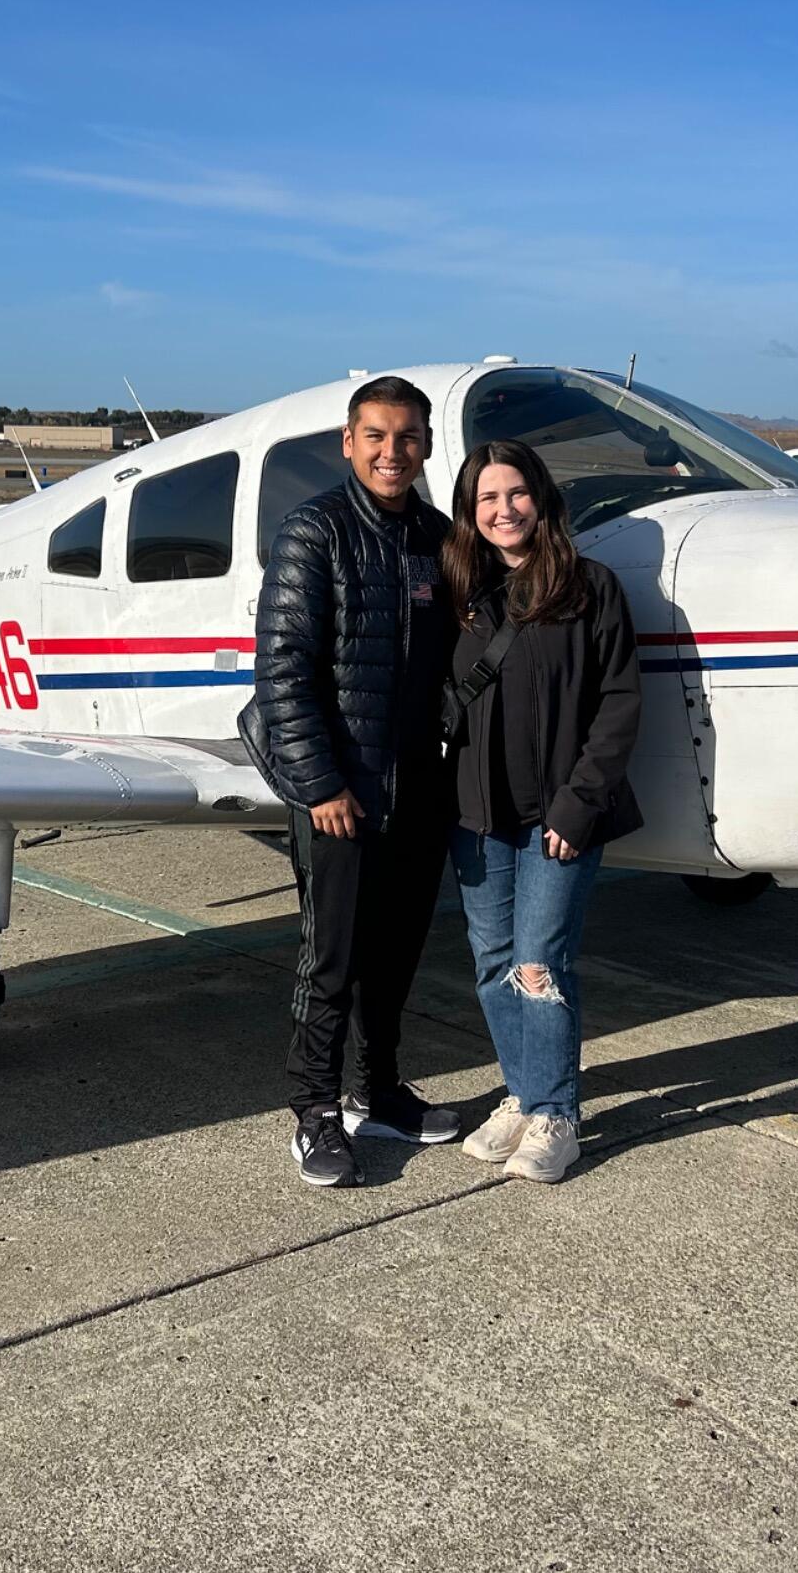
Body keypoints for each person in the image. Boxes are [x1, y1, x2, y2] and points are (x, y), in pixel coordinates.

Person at [249, 376, 463, 1186]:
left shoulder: (438, 540)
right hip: (341, 794)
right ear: (348, 442)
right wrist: (320, 783)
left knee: (398, 952)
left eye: (407, 437)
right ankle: (313, 1109)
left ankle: (378, 1090)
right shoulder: (314, 533)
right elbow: (284, 672)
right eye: (375, 435)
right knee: (329, 958)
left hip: (417, 791)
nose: (391, 451)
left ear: (427, 446)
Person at [440, 439, 642, 1184]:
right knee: (492, 962)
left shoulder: (591, 588)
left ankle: (558, 1110)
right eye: (487, 498)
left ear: (542, 497)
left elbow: (619, 703)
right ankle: (522, 1092)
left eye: (516, 492)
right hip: (475, 817)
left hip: (559, 817)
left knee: (538, 963)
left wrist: (580, 801)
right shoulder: (460, 595)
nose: (504, 509)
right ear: (471, 511)